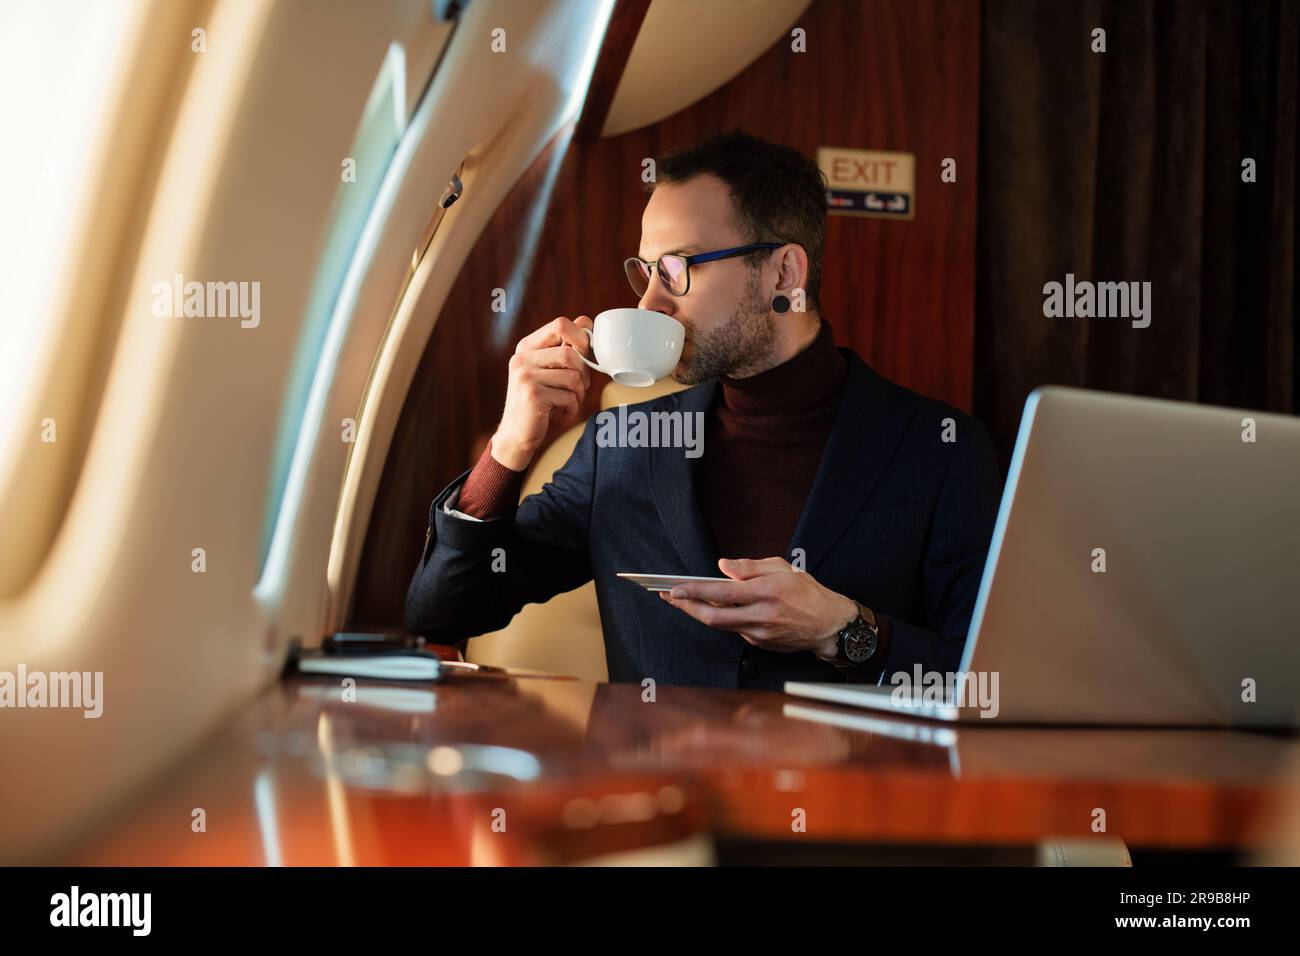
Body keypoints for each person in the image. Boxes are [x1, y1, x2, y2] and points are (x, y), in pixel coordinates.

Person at [405, 128, 1002, 691]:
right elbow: (442, 611)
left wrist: (841, 631)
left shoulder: (942, 449)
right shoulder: (623, 443)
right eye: (645, 270)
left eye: (678, 268)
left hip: (848, 798)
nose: (650, 302)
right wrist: (509, 448)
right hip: (656, 798)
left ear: (784, 273)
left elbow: (982, 682)